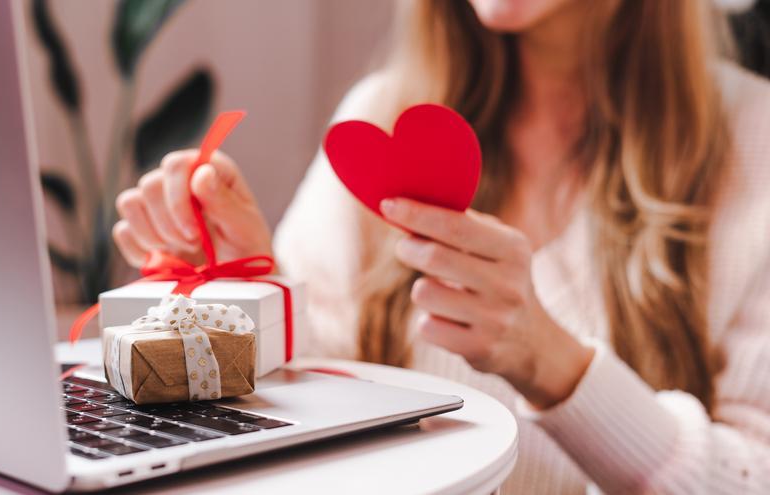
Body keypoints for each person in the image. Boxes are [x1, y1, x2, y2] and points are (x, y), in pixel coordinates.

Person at [111, 0, 770, 492]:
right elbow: (314, 403)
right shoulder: (380, 115)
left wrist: (551, 362)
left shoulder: (753, 139)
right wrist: (255, 292)